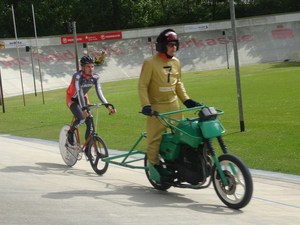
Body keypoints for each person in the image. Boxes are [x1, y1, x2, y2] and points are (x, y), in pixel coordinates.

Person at [138, 29, 201, 177]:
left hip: (174, 106)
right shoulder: (150, 63)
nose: (174, 48)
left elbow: (178, 83)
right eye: (171, 45)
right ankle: (154, 164)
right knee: (154, 139)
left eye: (175, 45)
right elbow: (142, 85)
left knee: (180, 136)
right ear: (162, 46)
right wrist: (145, 105)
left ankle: (179, 162)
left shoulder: (176, 62)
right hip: (157, 108)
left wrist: (187, 100)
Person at [66, 55, 116, 146]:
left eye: (92, 66)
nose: (91, 69)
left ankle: (87, 148)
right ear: (83, 67)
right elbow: (79, 91)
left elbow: (99, 92)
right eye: (88, 66)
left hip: (84, 98)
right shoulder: (77, 77)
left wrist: (107, 106)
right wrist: (84, 109)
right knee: (82, 118)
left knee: (90, 122)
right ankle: (70, 132)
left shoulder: (96, 77)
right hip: (72, 99)